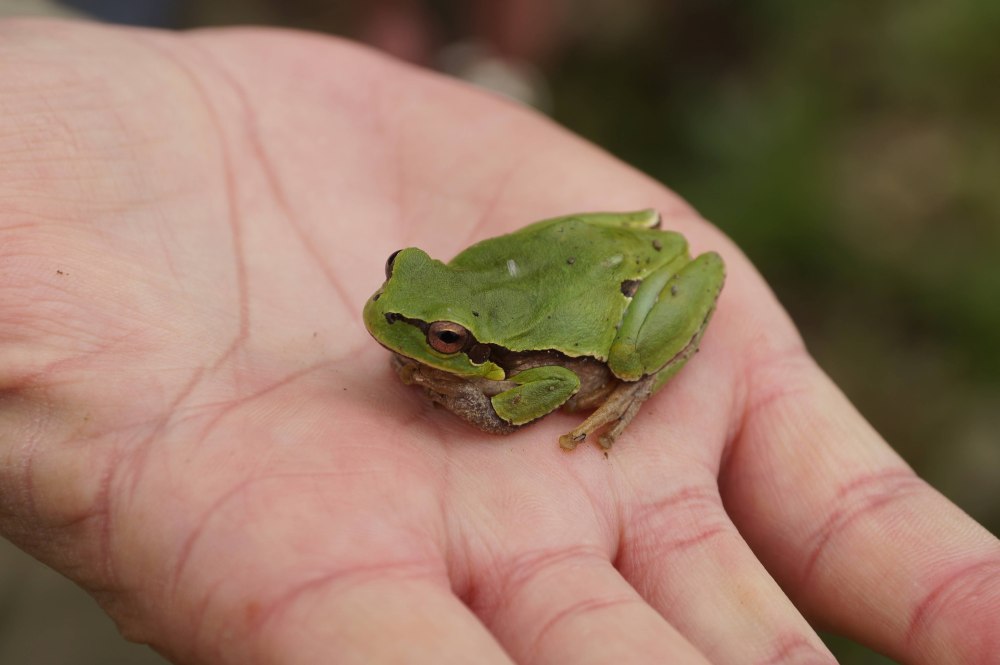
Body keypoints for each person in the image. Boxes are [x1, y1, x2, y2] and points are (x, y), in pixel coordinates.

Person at [0, 18, 996, 665]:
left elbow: (542, 383)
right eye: (405, 290)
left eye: (431, 335)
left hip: (611, 307)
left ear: (461, 346)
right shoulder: (427, 305)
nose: (391, 329)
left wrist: (483, 390)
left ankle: (646, 375)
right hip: (575, 260)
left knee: (613, 361)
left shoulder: (499, 372)